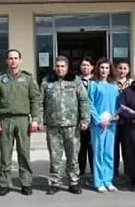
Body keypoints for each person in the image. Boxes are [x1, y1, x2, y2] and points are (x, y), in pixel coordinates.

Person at [0, 49, 42, 196]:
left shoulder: (28, 78)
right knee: (5, 154)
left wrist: (35, 119)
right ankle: (4, 183)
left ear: (20, 60)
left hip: (23, 120)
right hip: (5, 120)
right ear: (7, 61)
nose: (13, 61)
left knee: (24, 153)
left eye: (15, 58)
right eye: (10, 58)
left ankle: (26, 183)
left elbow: (35, 99)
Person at [41, 55, 90, 195]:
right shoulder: (46, 81)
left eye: (62, 66)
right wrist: (38, 119)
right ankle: (55, 182)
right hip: (53, 126)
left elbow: (84, 101)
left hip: (72, 125)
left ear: (67, 67)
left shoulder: (75, 81)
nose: (59, 69)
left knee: (72, 156)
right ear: (54, 67)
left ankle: (73, 182)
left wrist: (85, 119)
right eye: (57, 66)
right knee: (55, 156)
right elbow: (40, 102)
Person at [87, 58, 120, 193]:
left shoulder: (114, 85)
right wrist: (98, 120)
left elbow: (118, 104)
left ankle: (108, 180)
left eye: (107, 68)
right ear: (97, 69)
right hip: (98, 124)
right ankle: (99, 181)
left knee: (109, 152)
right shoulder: (93, 84)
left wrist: (116, 114)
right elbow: (90, 103)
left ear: (110, 70)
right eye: (102, 68)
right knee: (99, 152)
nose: (104, 70)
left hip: (111, 124)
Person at [113, 60, 132, 176]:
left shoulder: (132, 83)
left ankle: (128, 170)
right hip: (114, 119)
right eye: (120, 68)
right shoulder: (111, 83)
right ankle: (114, 169)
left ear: (128, 70)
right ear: (116, 69)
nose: (122, 71)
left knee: (127, 146)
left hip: (127, 119)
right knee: (114, 146)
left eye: (125, 68)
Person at [77, 57, 95, 177]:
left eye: (88, 65)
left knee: (93, 146)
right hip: (80, 117)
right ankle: (81, 170)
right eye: (83, 65)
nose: (85, 67)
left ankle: (94, 171)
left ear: (92, 67)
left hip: (94, 118)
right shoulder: (76, 81)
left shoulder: (96, 81)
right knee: (81, 146)